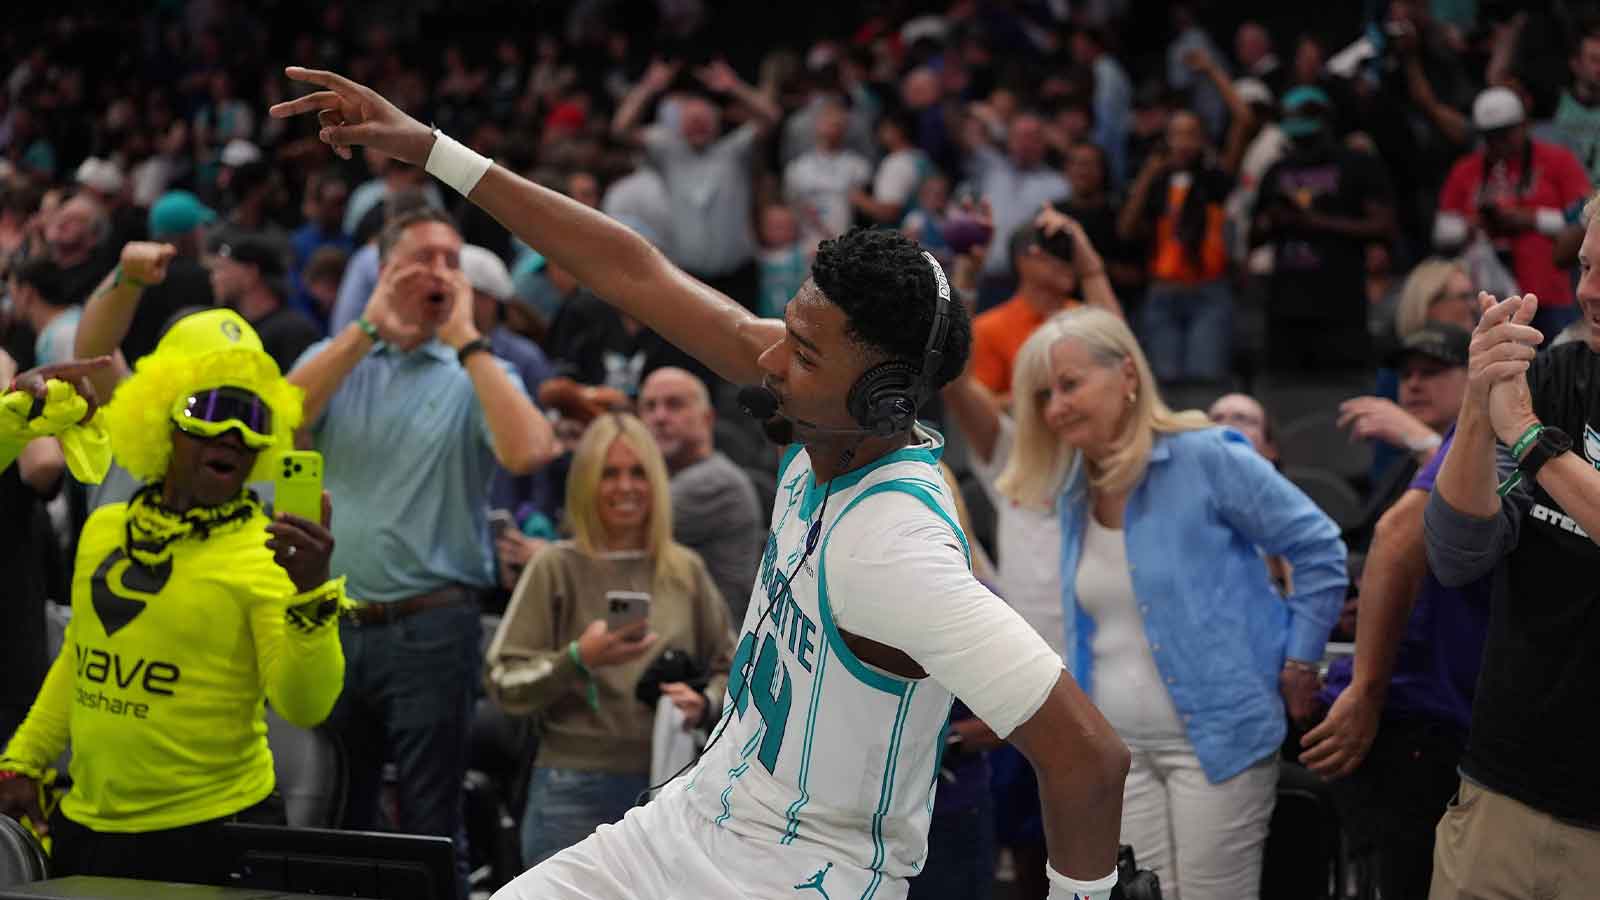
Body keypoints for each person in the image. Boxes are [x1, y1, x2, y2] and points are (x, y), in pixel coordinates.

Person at [273, 65, 1131, 900]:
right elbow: (633, 270)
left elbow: (1089, 755)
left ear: (883, 399)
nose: (769, 358)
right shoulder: (828, 414)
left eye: (801, 352)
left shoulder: (896, 550)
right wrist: (430, 148)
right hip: (688, 822)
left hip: (795, 874)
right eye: (786, 330)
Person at [999, 307, 1346, 900]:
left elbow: (1319, 549)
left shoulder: (1208, 456)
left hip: (1221, 740)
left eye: (1070, 385)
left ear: (1128, 375)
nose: (1056, 407)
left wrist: (1300, 659)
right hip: (1117, 753)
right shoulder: (1073, 486)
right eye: (1044, 396)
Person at [0, 309, 347, 885]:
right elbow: (82, 657)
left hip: (212, 836)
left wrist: (310, 594)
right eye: (207, 410)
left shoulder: (266, 553)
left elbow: (305, 707)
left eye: (252, 417)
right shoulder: (106, 529)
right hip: (88, 828)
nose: (232, 433)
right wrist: (23, 760)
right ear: (160, 418)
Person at [286, 207, 559, 886]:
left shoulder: (477, 368)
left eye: (452, 261)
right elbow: (277, 417)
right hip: (332, 621)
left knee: (431, 822)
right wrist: (367, 328)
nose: (441, 273)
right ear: (384, 272)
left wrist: (466, 339)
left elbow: (530, 451)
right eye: (423, 258)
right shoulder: (336, 357)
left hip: (433, 626)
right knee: (332, 818)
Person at [1421, 204, 1600, 896]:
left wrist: (1529, 437)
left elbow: (1524, 434)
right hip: (1504, 791)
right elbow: (1456, 554)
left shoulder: (1534, 416)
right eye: (1584, 267)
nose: (1588, 292)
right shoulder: (1553, 380)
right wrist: (1477, 407)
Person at [485, 413, 735, 867]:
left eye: (638, 472)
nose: (625, 487)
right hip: (571, 783)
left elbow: (735, 670)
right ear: (586, 482)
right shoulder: (555, 567)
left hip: (670, 785)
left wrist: (704, 702)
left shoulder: (685, 570)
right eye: (609, 473)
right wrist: (579, 658)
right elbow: (504, 681)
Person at [1299, 419, 1489, 899]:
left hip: (1468, 716)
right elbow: (1395, 536)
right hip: (1422, 715)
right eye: (1404, 379)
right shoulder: (1524, 406)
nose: (1414, 386)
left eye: (1431, 378)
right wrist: (1365, 691)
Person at [612, 59, 781, 311]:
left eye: (703, 119)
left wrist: (735, 88)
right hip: (690, 278)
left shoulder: (735, 150)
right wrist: (647, 88)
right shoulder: (668, 151)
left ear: (716, 122)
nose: (698, 125)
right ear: (680, 124)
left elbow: (771, 116)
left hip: (740, 276)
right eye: (692, 120)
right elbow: (621, 129)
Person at [1252, 86, 1396, 374]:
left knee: (1343, 386)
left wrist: (1317, 222)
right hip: (1286, 305)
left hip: (1341, 303)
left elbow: (1383, 224)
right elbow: (1254, 236)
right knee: (1286, 389)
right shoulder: (1276, 171)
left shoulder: (1356, 165)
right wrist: (1273, 221)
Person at [1436, 87, 1592, 339]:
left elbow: (1586, 217)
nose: (1498, 143)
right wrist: (1475, 223)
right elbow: (1442, 232)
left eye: (1505, 133)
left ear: (1523, 126)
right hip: (1488, 298)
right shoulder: (1466, 169)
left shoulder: (1557, 160)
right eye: (1490, 136)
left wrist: (1529, 219)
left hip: (1551, 294)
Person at [637, 366, 763, 620]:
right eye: (649, 407)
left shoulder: (717, 482)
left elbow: (610, 533)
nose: (659, 417)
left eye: (674, 404)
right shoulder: (665, 479)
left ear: (707, 418)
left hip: (711, 641)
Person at [1118, 110, 1234, 381]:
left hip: (1207, 292)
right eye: (1177, 134)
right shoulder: (1156, 182)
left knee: (1205, 379)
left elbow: (1243, 121)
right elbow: (1126, 229)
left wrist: (1214, 78)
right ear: (1167, 140)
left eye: (1191, 134)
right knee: (1164, 382)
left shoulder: (1214, 178)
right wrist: (1148, 174)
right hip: (1163, 293)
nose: (1184, 142)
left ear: (1203, 140)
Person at [971, 208, 1122, 403]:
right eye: (1053, 249)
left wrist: (1089, 264)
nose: (1065, 260)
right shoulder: (989, 328)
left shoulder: (1084, 318)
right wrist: (1052, 394)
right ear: (1023, 259)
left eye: (1068, 249)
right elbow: (976, 405)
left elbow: (1119, 349)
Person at [208, 233, 321, 373]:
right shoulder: (229, 329)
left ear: (250, 273)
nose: (214, 278)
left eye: (221, 268)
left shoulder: (294, 332)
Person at [8, 257, 79, 367]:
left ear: (26, 293)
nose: (10, 303)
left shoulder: (63, 335)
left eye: (11, 293)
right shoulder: (70, 320)